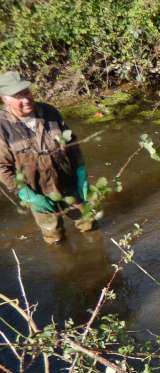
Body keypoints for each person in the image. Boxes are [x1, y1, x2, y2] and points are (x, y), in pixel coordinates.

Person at [0, 71, 95, 244]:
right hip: (37, 192)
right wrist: (24, 193)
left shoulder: (49, 112)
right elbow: (2, 167)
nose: (26, 99)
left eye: (26, 92)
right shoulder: (2, 127)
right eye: (18, 96)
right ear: (5, 99)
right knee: (54, 237)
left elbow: (72, 142)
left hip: (68, 183)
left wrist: (81, 170)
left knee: (89, 224)